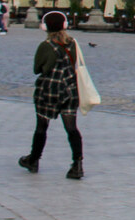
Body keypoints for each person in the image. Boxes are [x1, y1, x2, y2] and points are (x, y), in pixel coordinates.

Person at [18, 11, 85, 179]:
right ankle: (77, 164)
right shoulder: (72, 44)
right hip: (70, 89)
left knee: (42, 127)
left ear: (45, 27)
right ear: (65, 25)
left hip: (49, 90)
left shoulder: (45, 46)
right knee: (71, 128)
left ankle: (34, 160)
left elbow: (37, 69)